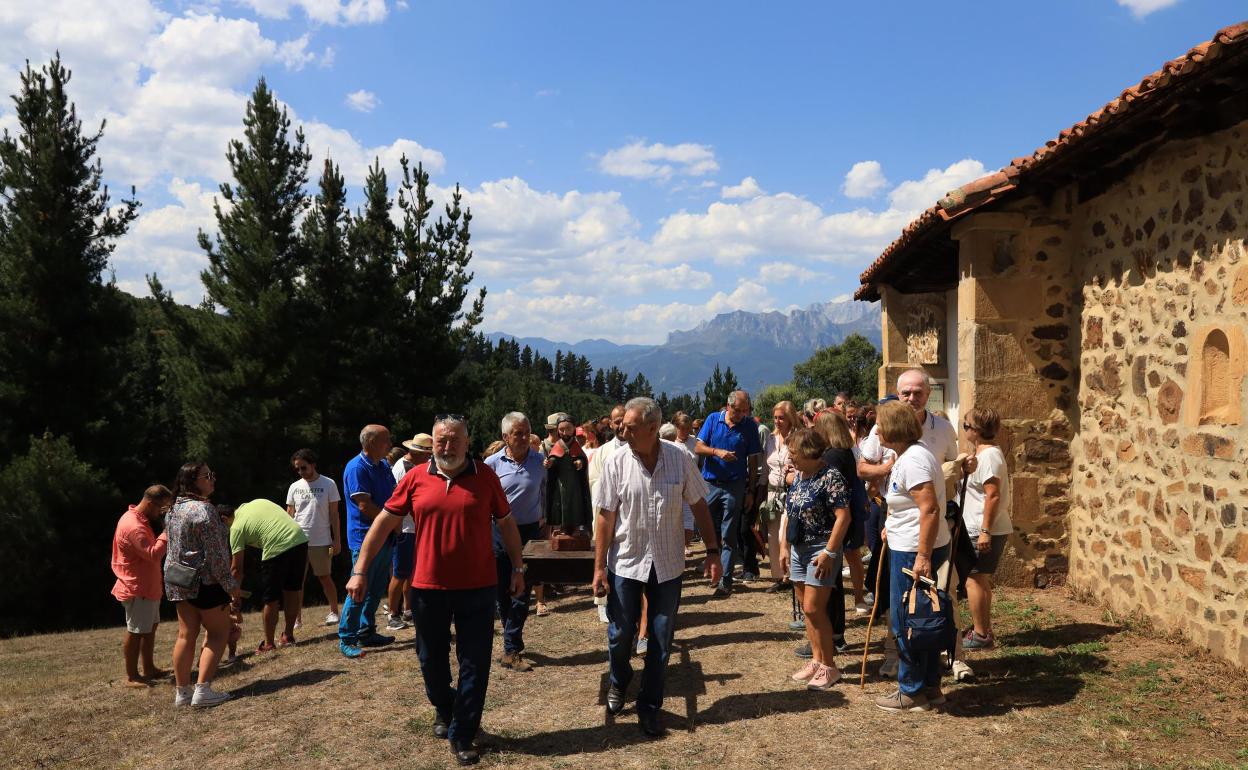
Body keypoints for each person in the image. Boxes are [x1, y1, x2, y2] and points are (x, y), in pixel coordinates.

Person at [346, 415, 524, 766]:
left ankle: (463, 732)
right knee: (430, 660)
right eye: (442, 440)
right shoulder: (415, 477)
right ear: (434, 443)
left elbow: (506, 522)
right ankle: (445, 707)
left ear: (467, 441)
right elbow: (383, 522)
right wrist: (359, 570)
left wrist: (518, 567)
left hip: (478, 587)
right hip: (427, 588)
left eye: (455, 439)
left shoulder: (485, 476)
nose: (448, 446)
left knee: (475, 662)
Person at [592, 397, 723, 738]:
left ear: (652, 429)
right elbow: (605, 515)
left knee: (661, 639)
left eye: (630, 427)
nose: (623, 431)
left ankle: (650, 706)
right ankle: (620, 681)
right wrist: (599, 568)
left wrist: (712, 550)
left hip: (667, 565)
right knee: (621, 635)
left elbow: (699, 503)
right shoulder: (617, 461)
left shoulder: (679, 458)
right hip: (626, 562)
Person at [872, 402, 950, 712]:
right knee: (924, 617)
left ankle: (912, 691)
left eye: (880, 425)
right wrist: (893, 524)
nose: (877, 430)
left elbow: (929, 509)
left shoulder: (913, 461)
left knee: (909, 621)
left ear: (893, 429)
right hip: (913, 545)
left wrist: (922, 556)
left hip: (914, 552)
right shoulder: (912, 455)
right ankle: (930, 687)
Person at [779, 428, 851, 691]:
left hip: (821, 549)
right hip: (798, 547)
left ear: (810, 452)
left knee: (813, 608)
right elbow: (791, 511)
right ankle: (817, 660)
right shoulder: (799, 476)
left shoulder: (831, 477)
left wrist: (830, 553)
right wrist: (784, 547)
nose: (790, 458)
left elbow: (844, 517)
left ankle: (830, 667)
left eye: (794, 453)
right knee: (805, 608)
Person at [164, 462, 238, 707]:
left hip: (179, 580)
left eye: (212, 474)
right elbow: (217, 555)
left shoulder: (172, 509)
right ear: (192, 482)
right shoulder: (204, 511)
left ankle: (182, 693)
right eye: (207, 476)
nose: (212, 479)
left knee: (186, 635)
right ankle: (203, 690)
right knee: (218, 633)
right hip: (207, 581)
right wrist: (230, 585)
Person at [484, 412, 547, 671]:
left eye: (526, 432)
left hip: (530, 532)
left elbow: (547, 495)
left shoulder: (541, 462)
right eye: (517, 433)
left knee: (523, 589)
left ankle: (510, 647)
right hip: (498, 530)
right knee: (503, 590)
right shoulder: (491, 464)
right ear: (505, 437)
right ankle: (512, 643)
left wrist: (548, 527)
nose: (523, 438)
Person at [338, 424, 398, 658]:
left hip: (385, 534)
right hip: (364, 537)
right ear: (371, 443)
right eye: (386, 440)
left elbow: (395, 496)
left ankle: (366, 631)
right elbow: (364, 505)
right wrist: (390, 523)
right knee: (359, 588)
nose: (390, 445)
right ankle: (347, 637)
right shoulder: (356, 468)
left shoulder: (383, 465)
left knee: (375, 588)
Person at [695, 390, 763, 596]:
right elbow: (698, 447)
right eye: (738, 410)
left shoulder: (749, 426)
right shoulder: (713, 420)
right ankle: (713, 566)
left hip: (735, 485)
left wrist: (750, 490)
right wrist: (717, 452)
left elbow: (753, 460)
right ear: (728, 405)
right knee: (706, 528)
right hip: (710, 483)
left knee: (729, 533)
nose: (742, 414)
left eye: (745, 410)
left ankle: (725, 580)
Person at [959, 407, 1013, 649]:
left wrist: (985, 530)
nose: (964, 429)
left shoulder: (988, 457)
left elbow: (992, 496)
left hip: (982, 528)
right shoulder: (983, 454)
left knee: (974, 580)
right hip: (983, 526)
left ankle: (981, 635)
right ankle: (983, 628)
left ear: (977, 431)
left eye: (966, 425)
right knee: (979, 580)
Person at [227, 498, 310, 651]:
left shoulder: (235, 528)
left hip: (277, 547)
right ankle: (288, 636)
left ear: (224, 519)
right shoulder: (257, 502)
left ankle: (269, 644)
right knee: (292, 590)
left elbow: (237, 569)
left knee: (271, 599)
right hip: (299, 539)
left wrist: (234, 595)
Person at [111, 485, 172, 687]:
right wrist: (167, 531)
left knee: (149, 628)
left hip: (147, 586)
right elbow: (153, 553)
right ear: (151, 503)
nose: (161, 514)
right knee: (136, 631)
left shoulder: (137, 519)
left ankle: (149, 668)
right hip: (138, 588)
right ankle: (131, 676)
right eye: (161, 509)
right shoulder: (134, 526)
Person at [286, 448, 342, 628]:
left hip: (321, 540)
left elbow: (334, 514)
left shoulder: (329, 484)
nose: (301, 472)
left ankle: (334, 612)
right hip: (297, 541)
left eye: (304, 467)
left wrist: (337, 540)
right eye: (297, 469)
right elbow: (289, 515)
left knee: (325, 577)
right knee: (297, 581)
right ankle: (296, 618)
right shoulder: (294, 487)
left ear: (313, 465)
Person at [388, 433, 434, 630]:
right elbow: (399, 502)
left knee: (411, 571)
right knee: (400, 573)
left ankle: (408, 610)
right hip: (405, 527)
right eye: (427, 454)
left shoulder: (414, 465)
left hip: (415, 527)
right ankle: (393, 614)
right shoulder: (402, 469)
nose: (429, 458)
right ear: (416, 452)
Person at [587, 403, 627, 623]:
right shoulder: (602, 452)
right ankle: (602, 601)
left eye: (623, 419)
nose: (620, 424)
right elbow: (593, 483)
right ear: (610, 424)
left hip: (630, 515)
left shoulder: (640, 447)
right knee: (604, 558)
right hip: (608, 512)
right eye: (616, 420)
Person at [763, 401, 799, 592]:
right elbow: (765, 466)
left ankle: (791, 575)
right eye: (775, 417)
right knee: (771, 534)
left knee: (783, 534)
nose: (777, 421)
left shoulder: (797, 438)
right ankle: (778, 575)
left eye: (781, 418)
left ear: (790, 418)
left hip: (791, 490)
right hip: (772, 491)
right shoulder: (770, 439)